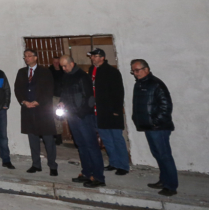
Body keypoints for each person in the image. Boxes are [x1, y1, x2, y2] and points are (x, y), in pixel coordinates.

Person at [130, 59, 178, 196]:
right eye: (133, 71)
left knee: (165, 156)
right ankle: (163, 180)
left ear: (146, 69)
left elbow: (166, 106)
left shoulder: (156, 84)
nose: (135, 73)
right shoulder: (140, 84)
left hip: (159, 128)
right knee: (158, 155)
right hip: (149, 126)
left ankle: (171, 186)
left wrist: (155, 122)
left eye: (137, 70)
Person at [58, 55, 104, 187]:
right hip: (72, 116)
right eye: (62, 66)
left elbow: (89, 99)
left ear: (72, 64)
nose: (63, 68)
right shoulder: (66, 76)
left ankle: (98, 177)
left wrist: (81, 114)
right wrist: (62, 102)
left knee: (91, 146)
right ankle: (86, 173)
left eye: (65, 66)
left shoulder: (82, 76)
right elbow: (65, 93)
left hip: (83, 117)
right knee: (81, 145)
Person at [14, 49, 58, 176]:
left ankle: (52, 165)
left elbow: (49, 90)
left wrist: (38, 102)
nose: (26, 58)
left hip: (43, 110)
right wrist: (23, 101)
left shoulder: (45, 72)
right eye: (25, 56)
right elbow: (17, 89)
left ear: (35, 57)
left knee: (48, 139)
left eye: (29, 56)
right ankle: (36, 164)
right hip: (28, 110)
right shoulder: (22, 72)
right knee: (32, 139)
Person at [88, 48, 129, 175]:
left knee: (117, 138)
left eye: (95, 56)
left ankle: (123, 165)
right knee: (106, 139)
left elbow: (118, 92)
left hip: (111, 111)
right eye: (92, 56)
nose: (92, 58)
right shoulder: (92, 70)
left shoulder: (112, 72)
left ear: (102, 57)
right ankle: (114, 162)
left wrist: (116, 110)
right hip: (98, 111)